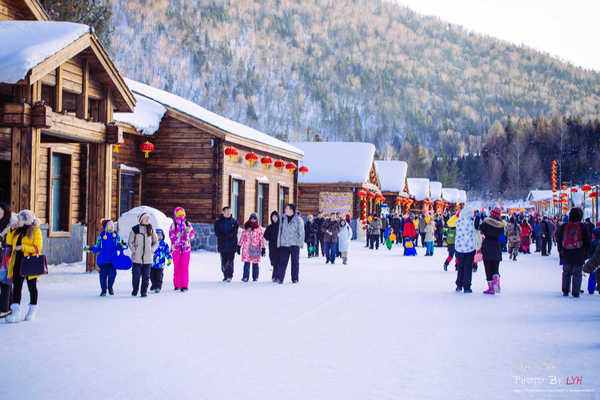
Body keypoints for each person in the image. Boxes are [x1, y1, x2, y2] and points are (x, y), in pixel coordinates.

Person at [5, 210, 43, 323]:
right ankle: (16, 311)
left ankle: (32, 309)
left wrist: (23, 248)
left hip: (30, 261)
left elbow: (37, 248)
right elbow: (9, 242)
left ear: (27, 220)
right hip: (17, 261)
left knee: (32, 286)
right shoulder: (18, 230)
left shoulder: (35, 230)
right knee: (17, 285)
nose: (18, 220)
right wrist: (11, 229)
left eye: (20, 218)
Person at [556, 208, 591, 298]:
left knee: (566, 272)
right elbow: (587, 240)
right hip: (579, 253)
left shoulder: (564, 226)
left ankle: (565, 290)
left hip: (566, 252)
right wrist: (586, 252)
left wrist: (560, 251)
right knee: (577, 273)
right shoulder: (583, 226)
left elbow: (559, 239)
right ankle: (575, 291)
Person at [86, 219, 124, 296]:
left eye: (112, 224)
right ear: (106, 226)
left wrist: (121, 245)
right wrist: (90, 248)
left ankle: (110, 287)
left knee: (112, 275)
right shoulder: (101, 235)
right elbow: (98, 246)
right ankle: (103, 290)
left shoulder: (116, 235)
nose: (112, 225)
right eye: (110, 224)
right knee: (103, 275)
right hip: (103, 260)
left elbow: (118, 245)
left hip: (113, 260)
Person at [129, 212, 158, 297]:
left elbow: (156, 242)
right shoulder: (135, 229)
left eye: (148, 218)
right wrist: (134, 250)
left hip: (148, 258)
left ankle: (144, 291)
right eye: (146, 218)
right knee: (136, 276)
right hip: (137, 258)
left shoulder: (151, 229)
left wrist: (152, 250)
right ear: (141, 220)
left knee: (146, 277)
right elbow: (130, 242)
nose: (148, 220)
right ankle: (135, 290)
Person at [479, 206, 507, 295]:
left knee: (488, 267)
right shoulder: (501, 225)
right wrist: (501, 246)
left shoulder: (486, 222)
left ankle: (491, 288)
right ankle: (496, 279)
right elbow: (503, 238)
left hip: (487, 245)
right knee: (495, 267)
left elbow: (480, 230)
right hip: (497, 246)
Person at [276, 204, 304, 284]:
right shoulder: (283, 218)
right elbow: (280, 231)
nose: (285, 210)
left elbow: (301, 232)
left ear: (292, 210)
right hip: (284, 244)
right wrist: (279, 242)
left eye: (287, 208)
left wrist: (300, 243)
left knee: (295, 262)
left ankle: (295, 278)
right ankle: (280, 278)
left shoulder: (298, 220)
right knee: (282, 262)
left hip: (294, 244)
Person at [0, 204, 17, 319]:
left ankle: (4, 309)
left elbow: (15, 241)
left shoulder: (12, 224)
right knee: (4, 281)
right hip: (2, 256)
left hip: (9, 256)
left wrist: (4, 244)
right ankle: (9, 306)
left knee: (5, 281)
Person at [237, 213, 266, 282]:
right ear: (250, 219)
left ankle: (255, 277)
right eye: (252, 218)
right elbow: (242, 237)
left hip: (255, 248)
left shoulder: (259, 229)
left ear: (256, 220)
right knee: (247, 263)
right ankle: (245, 277)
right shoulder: (246, 227)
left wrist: (263, 248)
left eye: (254, 218)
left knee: (255, 263)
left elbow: (262, 239)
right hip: (247, 248)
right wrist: (239, 246)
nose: (253, 220)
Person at [214, 206, 239, 282]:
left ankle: (230, 276)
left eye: (229, 211)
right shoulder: (218, 222)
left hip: (232, 244)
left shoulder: (234, 221)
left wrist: (229, 236)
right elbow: (217, 232)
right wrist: (223, 236)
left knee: (230, 261)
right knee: (224, 261)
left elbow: (235, 231)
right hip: (222, 244)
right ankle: (225, 275)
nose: (228, 213)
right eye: (227, 211)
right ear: (223, 212)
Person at [454, 206, 476, 293]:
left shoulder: (458, 222)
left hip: (459, 247)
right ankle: (467, 286)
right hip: (469, 248)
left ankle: (459, 285)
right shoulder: (472, 222)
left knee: (460, 266)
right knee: (468, 267)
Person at [151, 229, 172, 293]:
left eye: (160, 235)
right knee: (151, 275)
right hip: (152, 263)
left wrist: (169, 259)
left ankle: (158, 286)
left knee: (159, 276)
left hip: (160, 264)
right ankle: (154, 285)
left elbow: (167, 252)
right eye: (157, 235)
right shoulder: (151, 243)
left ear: (163, 236)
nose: (159, 236)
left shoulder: (164, 244)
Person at [264, 211, 280, 282]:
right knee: (273, 261)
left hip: (279, 246)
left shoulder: (281, 226)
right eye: (273, 217)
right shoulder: (270, 227)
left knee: (278, 262)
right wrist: (270, 238)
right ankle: (275, 275)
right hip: (272, 246)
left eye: (276, 217)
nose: (274, 218)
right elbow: (265, 235)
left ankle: (276, 276)